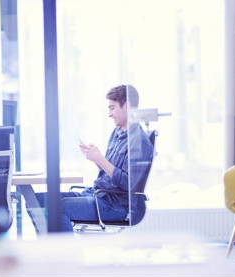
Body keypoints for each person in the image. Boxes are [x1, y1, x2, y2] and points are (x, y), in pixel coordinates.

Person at [31, 84, 154, 232]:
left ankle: (63, 254)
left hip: (116, 205)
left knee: (57, 208)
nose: (109, 113)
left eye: (112, 107)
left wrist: (100, 159)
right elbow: (110, 172)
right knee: (35, 202)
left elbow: (129, 184)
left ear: (126, 106)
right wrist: (95, 158)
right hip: (98, 194)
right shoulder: (117, 133)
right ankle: (47, 249)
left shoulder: (139, 141)